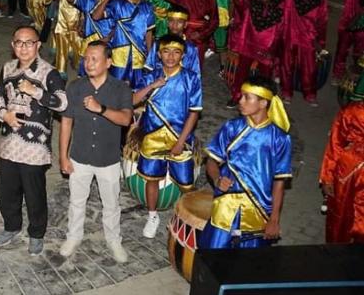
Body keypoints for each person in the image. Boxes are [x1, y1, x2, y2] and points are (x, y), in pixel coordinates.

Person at [0, 25, 67, 255]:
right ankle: (11, 227)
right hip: (9, 143)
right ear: (13, 45)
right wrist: (4, 114)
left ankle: (36, 233)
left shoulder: (49, 73)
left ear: (38, 45)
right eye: (19, 43)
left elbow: (63, 103)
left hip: (34, 148)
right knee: (8, 191)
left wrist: (36, 92)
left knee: (34, 193)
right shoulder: (7, 69)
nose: (24, 47)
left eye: (29, 42)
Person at [58, 40, 132, 263]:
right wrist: (63, 156)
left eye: (94, 59)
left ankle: (113, 240)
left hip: (108, 159)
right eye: (86, 58)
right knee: (76, 201)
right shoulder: (75, 87)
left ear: (108, 62)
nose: (88, 63)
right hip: (79, 156)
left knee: (111, 203)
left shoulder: (121, 89)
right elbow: (66, 123)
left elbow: (126, 118)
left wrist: (100, 109)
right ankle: (74, 236)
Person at [199, 76, 292, 249]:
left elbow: (279, 182)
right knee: (213, 255)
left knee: (248, 265)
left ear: (263, 103)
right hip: (226, 205)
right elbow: (212, 161)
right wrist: (218, 179)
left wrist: (274, 219)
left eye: (247, 97)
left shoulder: (280, 138)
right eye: (241, 96)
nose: (240, 101)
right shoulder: (232, 127)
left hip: (257, 209)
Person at [133, 34, 202, 238]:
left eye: (176, 52)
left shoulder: (191, 78)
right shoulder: (151, 75)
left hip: (180, 137)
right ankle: (152, 215)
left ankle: (184, 217)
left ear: (182, 55)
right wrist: (152, 86)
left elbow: (194, 112)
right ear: (159, 54)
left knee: (185, 183)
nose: (171, 56)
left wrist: (181, 141)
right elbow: (133, 99)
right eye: (166, 51)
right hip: (152, 136)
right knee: (152, 179)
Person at [227, 0, 286, 108]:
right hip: (249, 45)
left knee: (265, 77)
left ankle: (262, 101)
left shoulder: (281, 10)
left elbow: (281, 32)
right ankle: (237, 96)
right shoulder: (251, 5)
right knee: (241, 73)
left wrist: (275, 50)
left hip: (267, 49)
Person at [94, 0, 155, 86]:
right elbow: (96, 16)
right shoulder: (118, 4)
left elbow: (149, 32)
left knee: (138, 88)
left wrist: (150, 55)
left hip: (139, 53)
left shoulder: (148, 7)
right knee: (116, 86)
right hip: (119, 52)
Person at [320, 89, 364, 244]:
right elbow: (335, 144)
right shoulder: (352, 112)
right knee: (340, 216)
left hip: (351, 170)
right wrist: (327, 177)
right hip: (349, 173)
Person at [281, 0, 327, 105]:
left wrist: (320, 43)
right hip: (291, 35)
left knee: (309, 68)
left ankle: (310, 94)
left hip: (309, 37)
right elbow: (285, 13)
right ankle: (286, 92)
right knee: (287, 65)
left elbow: (322, 20)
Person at [162, 0, 219, 66]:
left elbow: (214, 21)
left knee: (196, 65)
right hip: (182, 32)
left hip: (200, 37)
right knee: (177, 63)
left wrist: (201, 34)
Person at [52, 0, 89, 77]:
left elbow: (86, 8)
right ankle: (60, 74)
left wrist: (83, 23)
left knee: (79, 51)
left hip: (76, 23)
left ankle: (79, 67)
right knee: (61, 51)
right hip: (61, 22)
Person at [143, 6, 201, 75]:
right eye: (171, 21)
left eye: (179, 22)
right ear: (167, 23)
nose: (175, 25)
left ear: (185, 24)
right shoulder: (159, 44)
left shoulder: (191, 48)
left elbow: (195, 74)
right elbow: (149, 68)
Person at [211, 0, 235, 74]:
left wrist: (231, 16)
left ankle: (223, 68)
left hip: (223, 15)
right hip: (207, 14)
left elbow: (231, 1)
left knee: (222, 43)